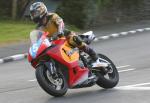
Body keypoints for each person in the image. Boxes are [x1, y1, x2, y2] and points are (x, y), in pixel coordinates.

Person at [29, 2, 106, 68]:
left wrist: (60, 32)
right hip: (54, 43)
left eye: (35, 13)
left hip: (65, 36)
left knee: (75, 40)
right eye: (32, 14)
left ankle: (96, 60)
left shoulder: (52, 16)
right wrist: (35, 46)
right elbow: (38, 39)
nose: (33, 15)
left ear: (41, 11)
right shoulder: (38, 28)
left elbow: (60, 22)